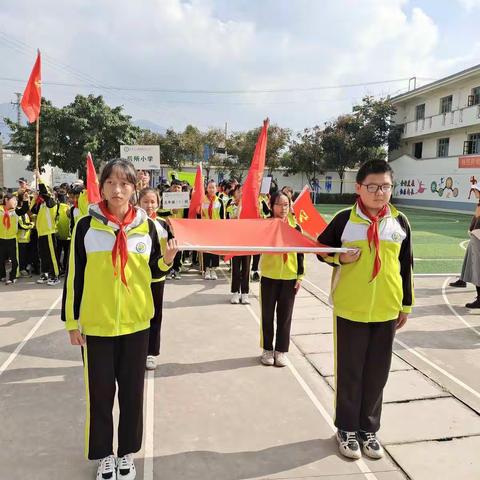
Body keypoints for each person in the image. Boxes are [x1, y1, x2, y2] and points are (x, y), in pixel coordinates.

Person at [62, 158, 178, 480]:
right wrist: (72, 322)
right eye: (111, 182)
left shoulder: (148, 227)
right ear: (102, 187)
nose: (118, 189)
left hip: (136, 326)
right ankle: (104, 457)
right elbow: (74, 277)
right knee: (99, 395)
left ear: (134, 188)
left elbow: (154, 273)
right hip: (97, 327)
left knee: (131, 393)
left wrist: (167, 261)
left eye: (125, 183)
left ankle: (126, 453)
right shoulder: (85, 226)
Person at [317, 159, 414, 461]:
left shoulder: (399, 221)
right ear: (359, 188)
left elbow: (406, 266)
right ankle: (346, 428)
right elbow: (322, 250)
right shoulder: (345, 219)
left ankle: (368, 429)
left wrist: (405, 304)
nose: (379, 193)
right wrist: (339, 260)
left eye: (385, 186)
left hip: (387, 309)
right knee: (350, 373)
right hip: (351, 308)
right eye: (372, 186)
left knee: (377, 374)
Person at [259, 191, 304, 368]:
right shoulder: (266, 225)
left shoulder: (295, 227)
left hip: (289, 277)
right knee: (267, 315)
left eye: (287, 204)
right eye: (280, 204)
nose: (284, 208)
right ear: (272, 206)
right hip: (269, 276)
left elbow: (301, 254)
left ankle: (281, 351)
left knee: (285, 317)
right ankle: (267, 350)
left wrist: (300, 276)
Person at [138, 187, 173, 370]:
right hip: (137, 277)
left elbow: (173, 245)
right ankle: (137, 350)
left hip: (157, 278)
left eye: (153, 202)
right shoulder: (134, 224)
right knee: (138, 315)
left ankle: (151, 352)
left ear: (158, 203)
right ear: (138, 203)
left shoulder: (164, 224)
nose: (149, 205)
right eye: (145, 202)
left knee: (155, 315)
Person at [449, 184, 480, 306]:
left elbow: (477, 217)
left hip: (478, 237)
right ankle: (463, 281)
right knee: (472, 264)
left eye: (475, 190)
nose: (474, 192)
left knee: (477, 267)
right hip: (476, 236)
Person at [31, 170, 60, 286]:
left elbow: (45, 191)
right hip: (41, 233)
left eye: (41, 192)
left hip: (49, 233)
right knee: (43, 255)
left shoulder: (51, 202)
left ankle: (55, 275)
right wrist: (34, 198)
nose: (40, 193)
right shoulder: (42, 205)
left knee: (51, 256)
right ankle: (45, 274)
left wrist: (39, 177)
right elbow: (32, 210)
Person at [226, 184, 251, 304]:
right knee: (235, 268)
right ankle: (235, 292)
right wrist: (239, 208)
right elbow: (230, 219)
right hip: (235, 241)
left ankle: (245, 293)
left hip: (247, 241)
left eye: (243, 191)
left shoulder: (250, 206)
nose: (241, 193)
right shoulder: (230, 205)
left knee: (246, 268)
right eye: (239, 191)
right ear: (235, 192)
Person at [0, 191, 30, 284]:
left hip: (12, 239)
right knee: (1, 259)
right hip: (1, 239)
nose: (15, 202)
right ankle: (2, 275)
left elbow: (24, 209)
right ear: (6, 200)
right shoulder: (0, 211)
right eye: (14, 200)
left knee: (14, 260)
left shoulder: (15, 211)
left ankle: (13, 277)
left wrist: (25, 200)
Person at [201, 179, 225, 280]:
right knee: (206, 250)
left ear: (216, 189)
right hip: (205, 229)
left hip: (216, 229)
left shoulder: (219, 201)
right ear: (207, 188)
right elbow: (199, 215)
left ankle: (213, 269)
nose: (211, 189)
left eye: (213, 187)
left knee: (215, 250)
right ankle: (207, 269)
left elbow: (222, 216)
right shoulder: (202, 200)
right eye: (209, 187)